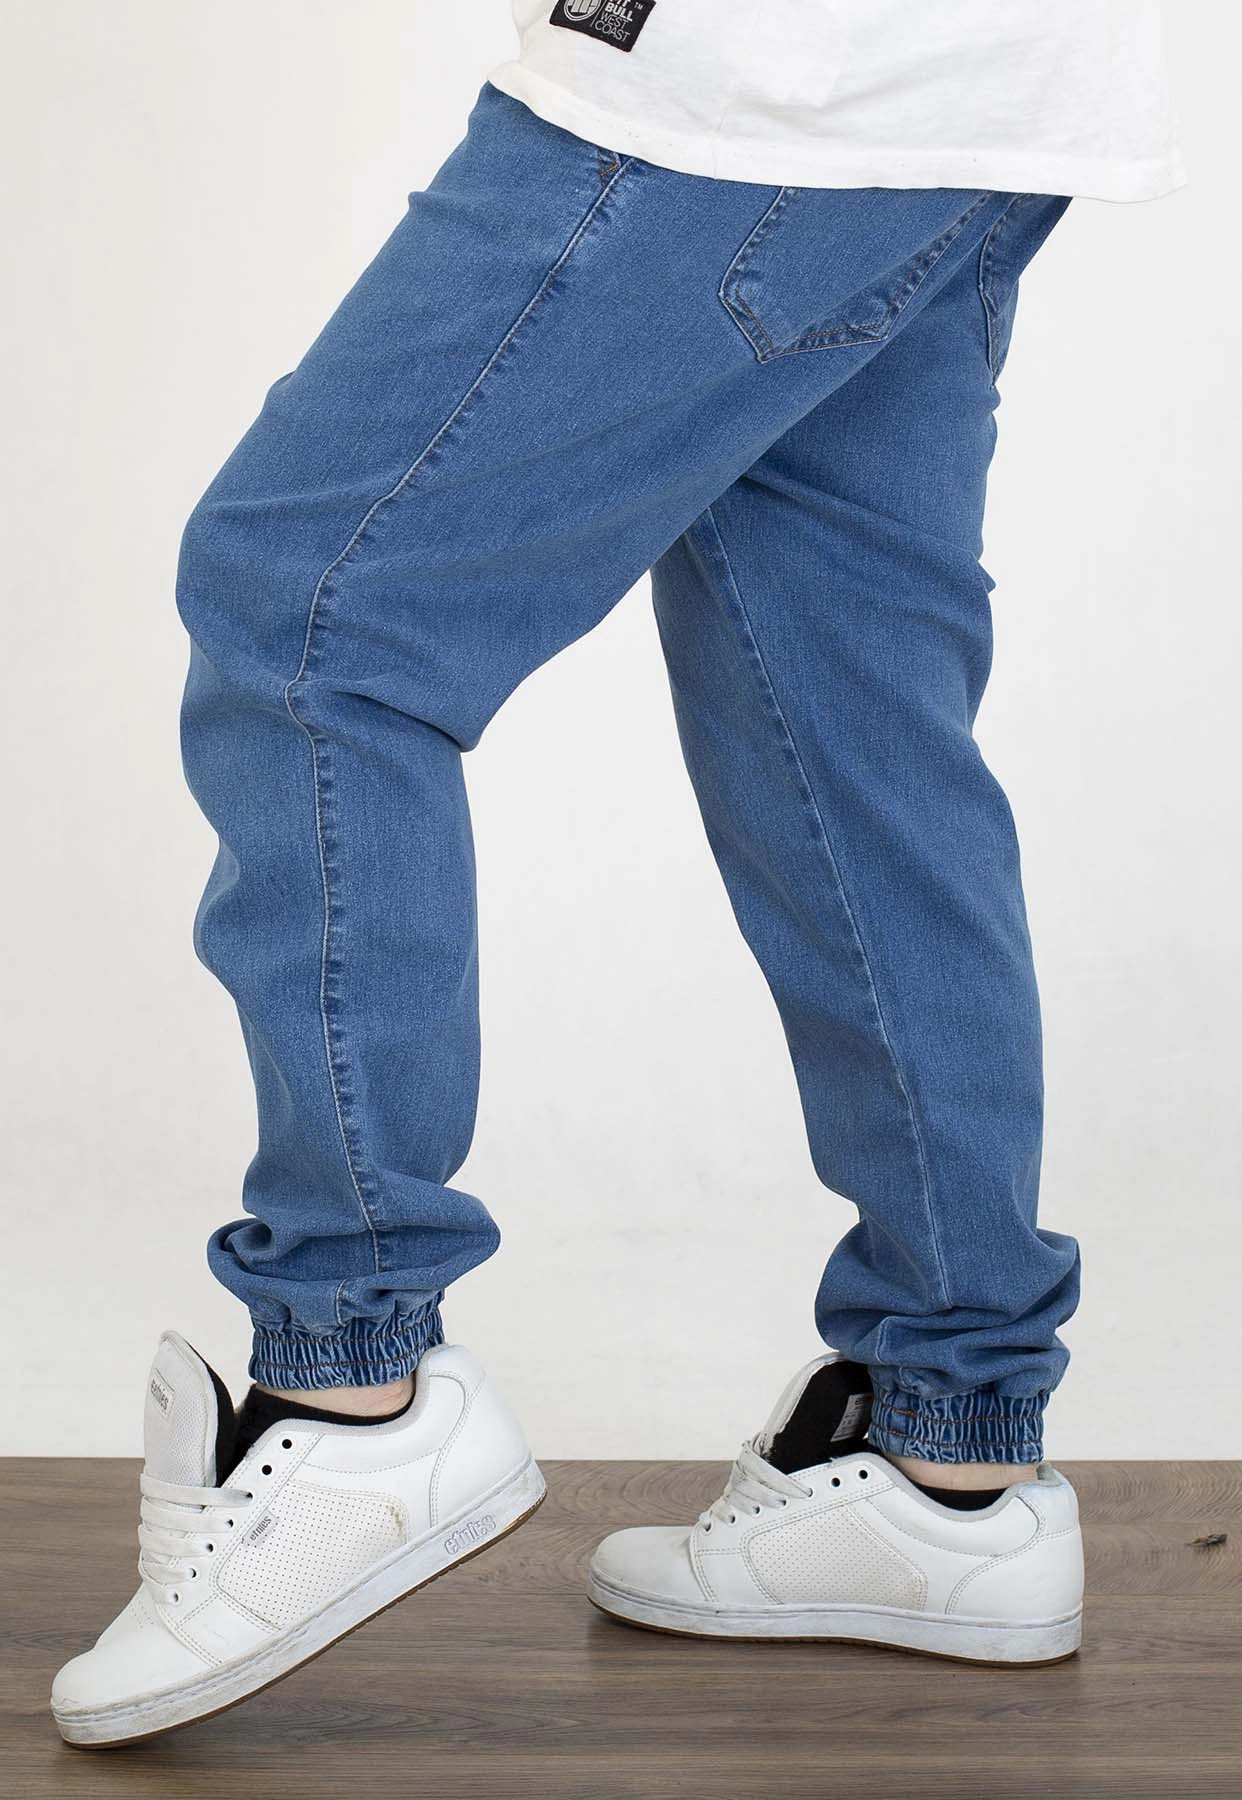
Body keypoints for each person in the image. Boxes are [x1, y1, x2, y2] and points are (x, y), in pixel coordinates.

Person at [52, 0, 1181, 1745]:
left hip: (759, 85)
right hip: (967, 95)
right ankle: (943, 1462)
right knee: (845, 735)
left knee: (310, 616)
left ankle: (351, 1387)